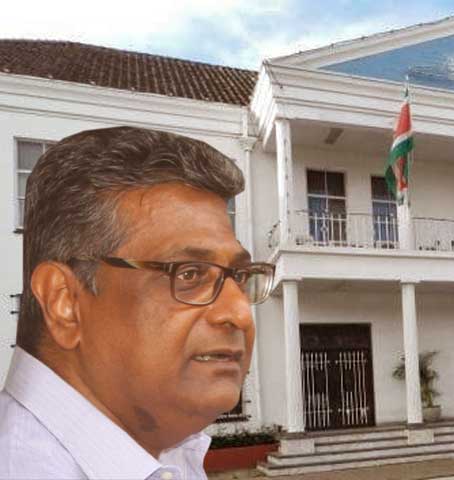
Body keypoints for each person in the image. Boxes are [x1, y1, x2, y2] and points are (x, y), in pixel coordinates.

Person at [0, 126, 276, 479]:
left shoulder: (164, 450)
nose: (240, 313)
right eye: (189, 273)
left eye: (238, 276)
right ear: (63, 302)